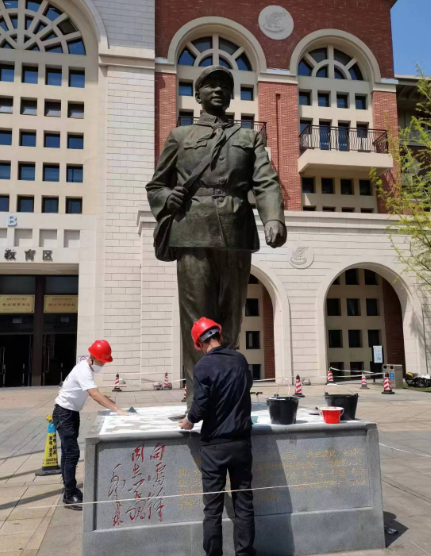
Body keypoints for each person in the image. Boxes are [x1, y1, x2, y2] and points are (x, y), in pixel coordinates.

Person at [146, 65, 286, 408]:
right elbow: (156, 186)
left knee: (231, 317)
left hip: (236, 233)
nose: (219, 90)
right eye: (211, 86)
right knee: (198, 319)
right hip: (192, 232)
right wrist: (168, 199)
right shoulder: (180, 137)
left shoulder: (248, 137)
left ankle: (230, 391)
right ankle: (201, 395)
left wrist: (273, 219)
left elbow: (265, 182)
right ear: (198, 95)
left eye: (225, 85)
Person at [179, 318, 255, 556]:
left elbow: (200, 405)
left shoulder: (202, 367)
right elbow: (247, 387)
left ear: (199, 344)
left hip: (214, 446)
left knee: (213, 508)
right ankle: (245, 553)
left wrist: (188, 421)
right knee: (244, 502)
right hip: (241, 443)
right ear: (219, 337)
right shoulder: (240, 360)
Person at [52, 339, 129, 509]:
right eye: (102, 360)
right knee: (71, 453)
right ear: (93, 358)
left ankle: (69, 488)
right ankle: (70, 493)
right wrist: (116, 409)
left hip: (70, 413)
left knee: (67, 452)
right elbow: (94, 394)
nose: (103, 364)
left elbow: (97, 393)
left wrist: (112, 403)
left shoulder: (86, 368)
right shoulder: (84, 370)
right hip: (64, 413)